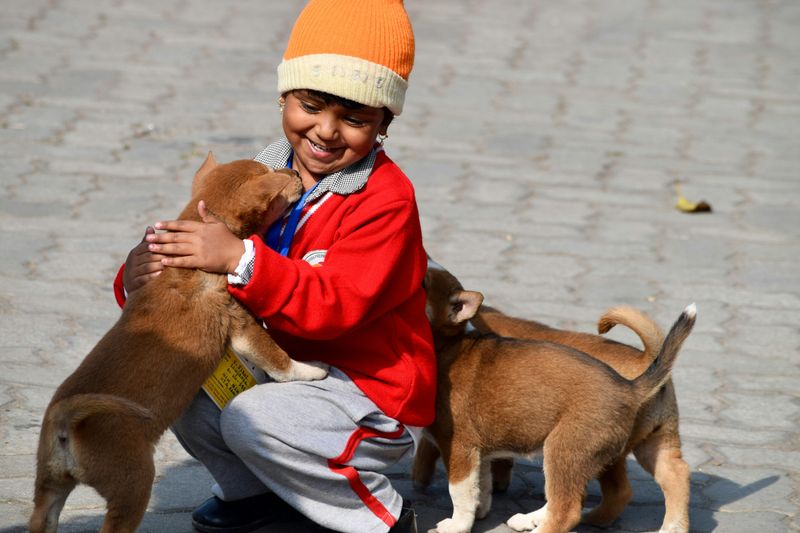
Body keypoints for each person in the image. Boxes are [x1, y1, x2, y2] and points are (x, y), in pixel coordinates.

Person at [114, 1, 434, 532]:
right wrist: (140, 272)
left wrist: (240, 259)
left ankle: (376, 514)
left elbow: (336, 307)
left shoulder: (387, 200)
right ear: (283, 95)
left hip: (364, 390)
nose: (327, 131)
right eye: (311, 105)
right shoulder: (258, 173)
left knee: (252, 418)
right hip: (281, 366)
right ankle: (257, 495)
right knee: (179, 365)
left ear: (384, 123)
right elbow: (189, 264)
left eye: (354, 118)